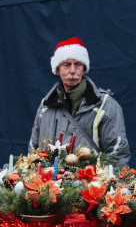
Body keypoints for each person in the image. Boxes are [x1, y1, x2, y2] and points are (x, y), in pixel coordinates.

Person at [29, 37, 130, 168]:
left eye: (77, 64)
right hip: (48, 180)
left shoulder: (105, 105)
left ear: (84, 69)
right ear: (57, 69)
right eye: (67, 64)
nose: (72, 70)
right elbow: (33, 151)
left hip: (88, 180)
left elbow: (118, 155)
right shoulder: (46, 105)